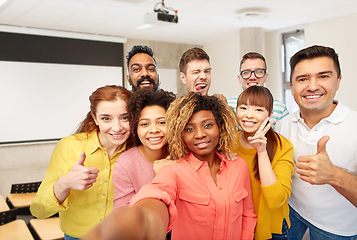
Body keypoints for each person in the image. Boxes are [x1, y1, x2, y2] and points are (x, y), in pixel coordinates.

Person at [82, 92, 257, 240]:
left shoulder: (238, 166)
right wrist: (141, 220)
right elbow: (157, 195)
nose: (200, 134)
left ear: (221, 127)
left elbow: (247, 216)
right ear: (179, 133)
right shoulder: (173, 169)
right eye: (189, 129)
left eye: (208, 125)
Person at [275, 45, 357, 239]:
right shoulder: (281, 125)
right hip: (292, 211)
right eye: (302, 79)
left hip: (338, 228)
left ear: (338, 81)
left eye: (323, 76)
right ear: (292, 87)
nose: (312, 86)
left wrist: (334, 175)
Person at [30, 85, 133, 240]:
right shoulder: (69, 146)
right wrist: (64, 183)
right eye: (106, 118)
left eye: (125, 117)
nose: (117, 127)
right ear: (94, 116)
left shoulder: (139, 150)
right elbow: (38, 210)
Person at [232, 86, 294, 240]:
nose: (249, 115)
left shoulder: (283, 146)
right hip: (237, 225)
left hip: (271, 228)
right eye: (243, 108)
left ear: (270, 115)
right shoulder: (228, 143)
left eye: (258, 110)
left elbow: (275, 201)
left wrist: (261, 152)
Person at [112, 89, 176, 208]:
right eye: (144, 124)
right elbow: (124, 214)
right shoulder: (125, 164)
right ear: (135, 128)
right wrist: (159, 180)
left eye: (162, 122)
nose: (154, 130)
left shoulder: (182, 155)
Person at [227, 52, 289, 125]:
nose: (252, 77)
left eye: (259, 71)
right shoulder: (227, 105)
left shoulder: (280, 109)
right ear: (239, 78)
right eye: (246, 72)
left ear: (266, 77)